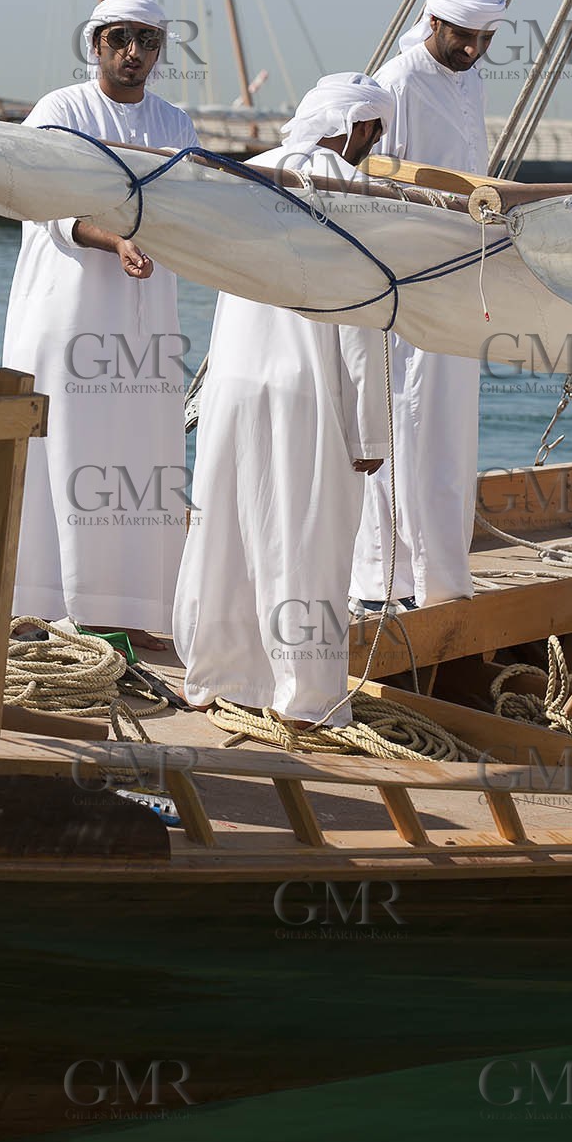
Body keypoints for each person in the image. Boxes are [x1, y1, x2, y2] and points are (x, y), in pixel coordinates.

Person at [174, 72, 394, 725]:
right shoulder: (350, 189)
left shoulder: (244, 175)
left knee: (227, 536)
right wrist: (371, 435)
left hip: (232, 388)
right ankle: (305, 701)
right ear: (356, 127)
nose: (371, 148)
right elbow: (364, 322)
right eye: (373, 135)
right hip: (309, 394)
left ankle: (216, 678)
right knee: (307, 544)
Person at [2, 0, 198, 651]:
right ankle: (45, 610)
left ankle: (134, 611)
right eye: (119, 39)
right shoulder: (60, 110)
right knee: (65, 453)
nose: (133, 53)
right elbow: (37, 197)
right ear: (95, 45)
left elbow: (199, 205)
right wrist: (112, 240)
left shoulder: (175, 123)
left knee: (144, 459)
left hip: (146, 325)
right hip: (69, 317)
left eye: (146, 41)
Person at [351, 0, 507, 610]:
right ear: (434, 24)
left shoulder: (470, 78)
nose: (471, 50)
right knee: (395, 425)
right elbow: (371, 182)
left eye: (482, 39)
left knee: (446, 431)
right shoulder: (396, 83)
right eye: (461, 37)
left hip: (458, 278)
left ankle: (440, 580)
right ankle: (380, 582)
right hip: (405, 284)